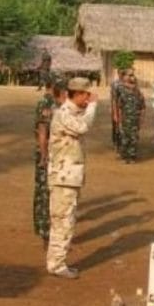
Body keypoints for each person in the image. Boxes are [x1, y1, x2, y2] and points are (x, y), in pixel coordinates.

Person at [46, 77, 98, 279]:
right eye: (86, 95)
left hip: (68, 177)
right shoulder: (63, 114)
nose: (89, 98)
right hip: (63, 178)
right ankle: (56, 264)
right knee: (63, 222)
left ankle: (57, 261)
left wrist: (87, 107)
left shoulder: (72, 112)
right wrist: (92, 107)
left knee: (65, 220)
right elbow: (82, 127)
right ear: (76, 94)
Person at [34, 76, 66, 245]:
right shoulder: (46, 104)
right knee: (46, 193)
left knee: (48, 192)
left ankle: (45, 229)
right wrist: (45, 155)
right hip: (47, 155)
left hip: (54, 154)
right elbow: (42, 132)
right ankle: (46, 233)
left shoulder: (55, 104)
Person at [115, 71, 145, 164]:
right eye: (129, 75)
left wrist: (141, 119)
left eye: (132, 75)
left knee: (134, 138)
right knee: (125, 138)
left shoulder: (138, 92)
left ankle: (132, 157)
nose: (131, 77)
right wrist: (118, 117)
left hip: (135, 119)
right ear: (124, 77)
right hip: (125, 118)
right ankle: (125, 157)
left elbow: (142, 107)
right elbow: (118, 106)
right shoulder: (121, 90)